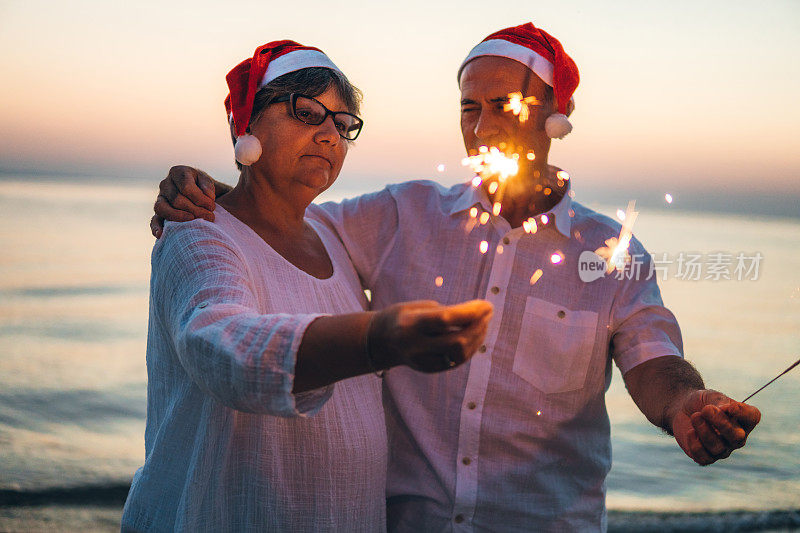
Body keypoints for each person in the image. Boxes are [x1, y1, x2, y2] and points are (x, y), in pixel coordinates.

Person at [152, 24, 761, 532]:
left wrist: (685, 402)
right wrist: (209, 192)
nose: (483, 126)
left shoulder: (612, 253)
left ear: (557, 116)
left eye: (505, 105)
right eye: (469, 107)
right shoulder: (398, 216)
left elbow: (654, 357)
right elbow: (280, 220)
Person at [122, 40, 492, 532]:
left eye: (342, 125)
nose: (329, 136)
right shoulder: (197, 233)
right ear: (247, 124)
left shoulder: (331, 236)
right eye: (307, 112)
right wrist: (378, 338)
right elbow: (223, 349)